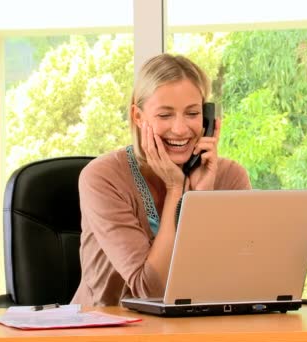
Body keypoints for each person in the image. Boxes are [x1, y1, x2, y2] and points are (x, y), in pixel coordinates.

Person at [70, 53, 251, 306]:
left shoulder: (230, 177)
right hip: (109, 330)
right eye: (165, 115)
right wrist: (176, 189)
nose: (179, 129)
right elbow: (152, 290)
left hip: (197, 330)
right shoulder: (102, 178)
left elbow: (239, 279)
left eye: (192, 113)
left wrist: (200, 199)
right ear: (138, 116)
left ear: (208, 117)